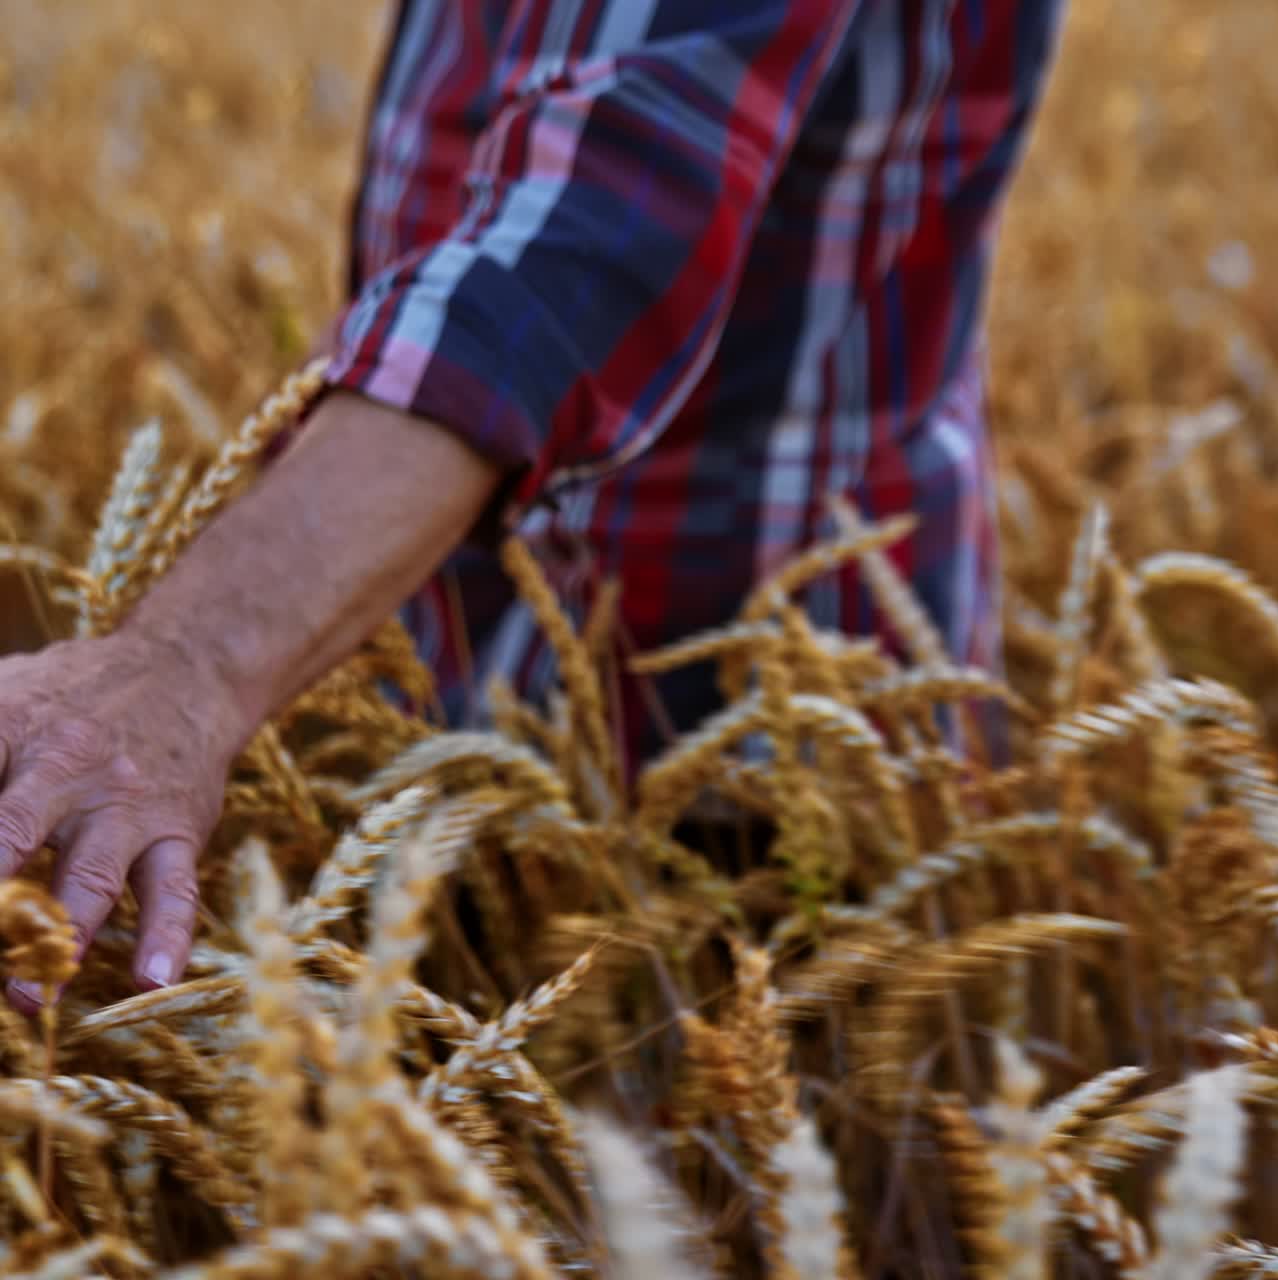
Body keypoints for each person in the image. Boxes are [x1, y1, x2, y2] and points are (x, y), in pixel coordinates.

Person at [0, 0, 1064, 1009]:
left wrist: (187, 666)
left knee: (699, 1181)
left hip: (759, 749)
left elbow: (582, 240)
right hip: (474, 697)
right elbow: (473, 222)